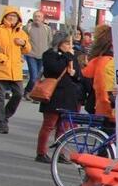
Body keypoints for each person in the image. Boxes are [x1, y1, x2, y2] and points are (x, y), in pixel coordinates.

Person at [34, 31, 82, 162]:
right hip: (54, 95)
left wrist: (74, 73)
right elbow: (54, 69)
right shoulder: (49, 54)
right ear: (59, 43)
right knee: (49, 125)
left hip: (68, 96)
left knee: (64, 127)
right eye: (67, 43)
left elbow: (79, 76)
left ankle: (60, 153)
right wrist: (66, 56)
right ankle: (41, 152)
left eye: (70, 43)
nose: (69, 46)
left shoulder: (72, 56)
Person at [0, 6, 31, 133]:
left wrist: (24, 44)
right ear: (4, 17)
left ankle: (4, 115)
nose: (12, 18)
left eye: (14, 16)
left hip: (15, 69)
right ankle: (0, 124)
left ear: (18, 18)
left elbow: (28, 49)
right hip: (0, 67)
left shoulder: (21, 32)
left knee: (18, 94)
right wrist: (2, 58)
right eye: (9, 16)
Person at [81, 24, 116, 122]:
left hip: (95, 104)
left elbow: (86, 77)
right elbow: (104, 89)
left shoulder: (97, 59)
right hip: (107, 108)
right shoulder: (108, 61)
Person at [23, 10, 53, 96]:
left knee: (38, 77)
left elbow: (50, 42)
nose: (37, 18)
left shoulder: (47, 29)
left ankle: (28, 91)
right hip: (30, 54)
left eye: (39, 16)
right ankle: (29, 92)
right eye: (35, 16)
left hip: (43, 56)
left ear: (43, 18)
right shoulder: (27, 27)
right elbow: (23, 41)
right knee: (33, 77)